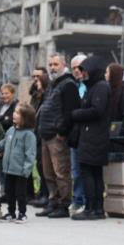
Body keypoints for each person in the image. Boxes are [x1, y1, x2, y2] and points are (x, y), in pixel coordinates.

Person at [36, 54, 79, 219]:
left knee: (61, 172)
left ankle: (64, 203)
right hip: (45, 134)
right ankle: (52, 201)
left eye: (55, 64)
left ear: (63, 65)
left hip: (57, 136)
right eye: (50, 64)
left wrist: (62, 132)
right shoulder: (53, 84)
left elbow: (70, 111)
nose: (52, 67)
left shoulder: (68, 84)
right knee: (48, 173)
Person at [70, 55, 111, 220]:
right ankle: (96, 208)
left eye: (85, 70)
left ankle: (92, 208)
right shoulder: (93, 87)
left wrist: (76, 114)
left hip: (94, 137)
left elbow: (97, 110)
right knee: (93, 172)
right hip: (92, 135)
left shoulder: (100, 87)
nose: (83, 74)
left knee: (89, 172)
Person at [0, 103, 36, 222]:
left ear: (25, 118)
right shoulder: (11, 130)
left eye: (17, 113)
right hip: (8, 169)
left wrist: (26, 170)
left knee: (20, 193)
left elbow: (30, 154)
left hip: (20, 171)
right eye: (14, 112)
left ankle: (22, 213)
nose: (14, 114)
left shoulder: (29, 134)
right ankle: (11, 212)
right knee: (9, 192)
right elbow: (3, 143)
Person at [27, 68, 50, 206]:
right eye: (34, 76)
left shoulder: (46, 96)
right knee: (39, 165)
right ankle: (42, 193)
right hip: (35, 133)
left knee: (44, 166)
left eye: (38, 77)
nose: (35, 79)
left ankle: (46, 195)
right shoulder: (35, 95)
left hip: (43, 134)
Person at [69, 54, 87, 214]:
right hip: (74, 133)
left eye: (79, 67)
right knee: (75, 170)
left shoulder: (91, 85)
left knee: (85, 169)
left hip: (87, 134)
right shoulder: (72, 85)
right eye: (73, 67)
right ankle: (77, 199)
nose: (76, 70)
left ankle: (84, 200)